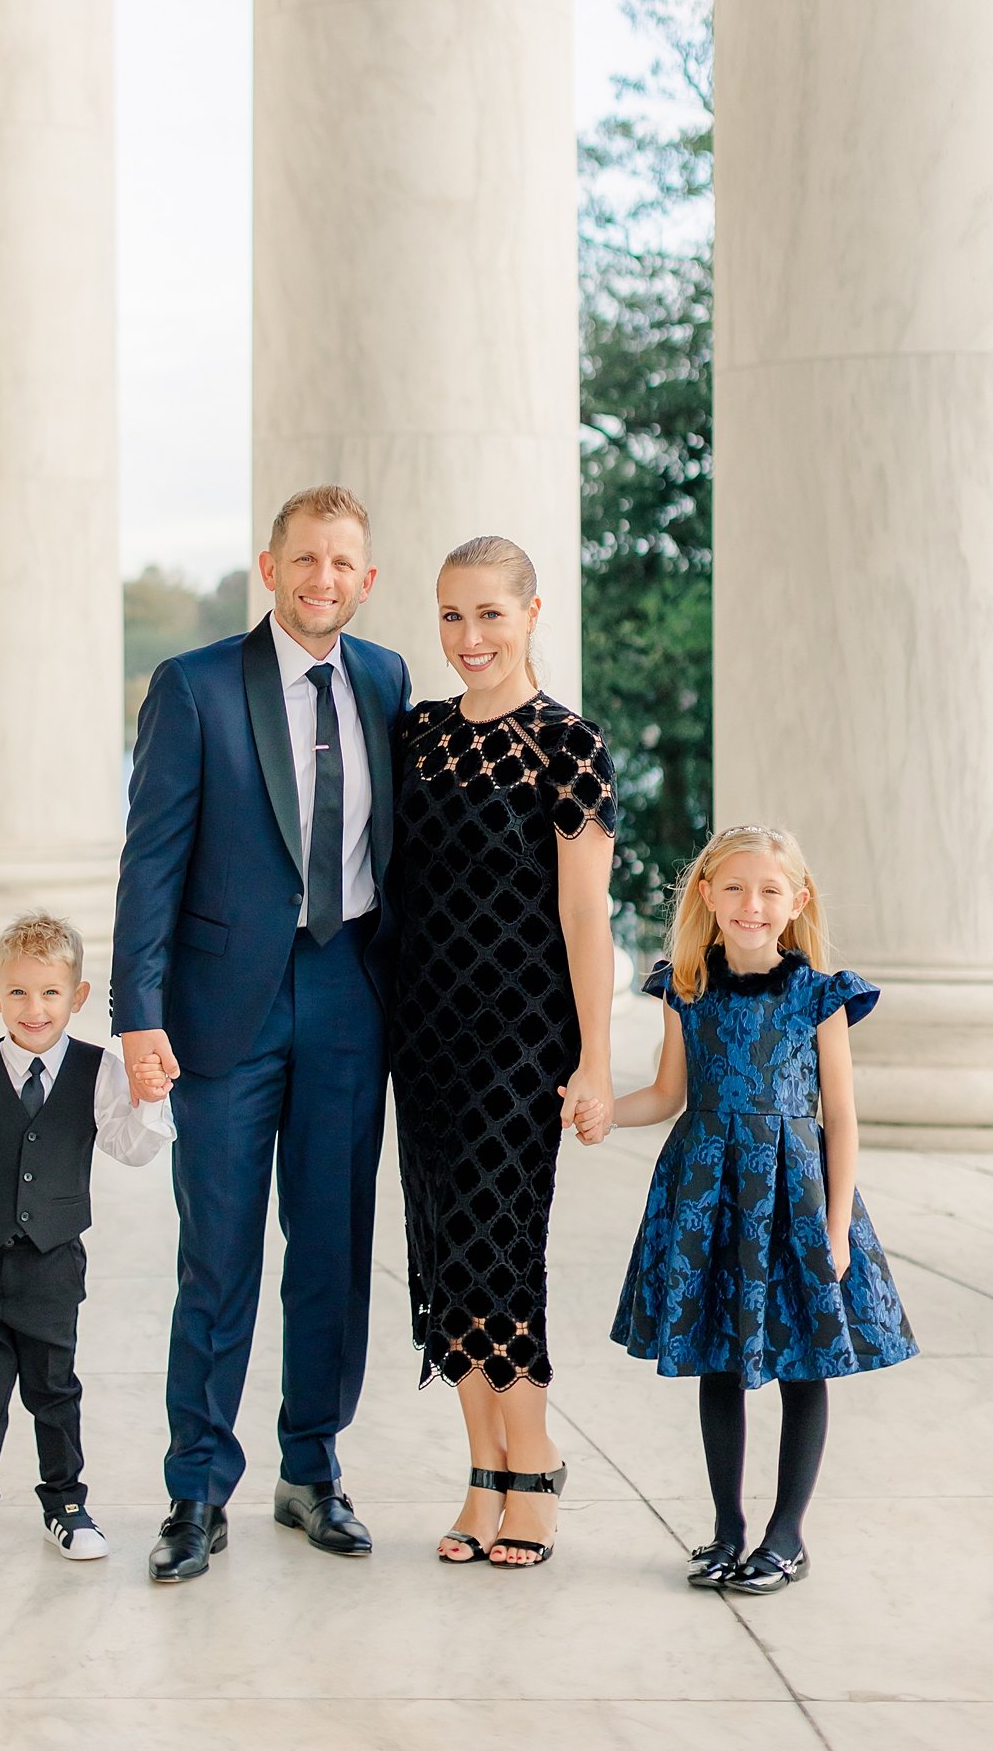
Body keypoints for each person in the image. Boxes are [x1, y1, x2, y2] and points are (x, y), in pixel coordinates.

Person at [112, 485, 412, 1583]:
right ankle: (196, 1488)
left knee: (332, 1250)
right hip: (223, 1008)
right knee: (219, 1253)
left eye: (343, 563)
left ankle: (312, 1467)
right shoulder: (193, 689)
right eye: (305, 560)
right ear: (269, 567)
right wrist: (136, 1014)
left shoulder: (386, 679)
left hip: (349, 994)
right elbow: (150, 864)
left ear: (365, 579)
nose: (322, 579)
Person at [608, 825, 917, 1594]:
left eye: (770, 890)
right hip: (708, 1189)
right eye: (736, 888)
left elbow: (840, 1115)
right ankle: (726, 1530)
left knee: (801, 1360)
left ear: (796, 901)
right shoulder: (685, 985)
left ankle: (785, 1536)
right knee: (719, 1351)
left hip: (794, 1191)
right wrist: (598, 1110)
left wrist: (837, 1225)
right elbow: (667, 1093)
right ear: (706, 894)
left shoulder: (820, 994)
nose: (752, 905)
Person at [391, 535, 616, 1570]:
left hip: (523, 1040)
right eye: (450, 616)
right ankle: (483, 1473)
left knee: (500, 1251)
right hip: (425, 1035)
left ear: (532, 615)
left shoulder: (568, 745)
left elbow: (584, 915)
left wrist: (597, 1060)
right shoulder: (419, 734)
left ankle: (534, 1463)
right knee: (446, 1258)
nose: (468, 638)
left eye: (489, 614)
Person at [0, 912, 173, 1571]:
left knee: (54, 1390)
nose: (35, 1008)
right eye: (19, 992)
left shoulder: (97, 1070)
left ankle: (66, 1502)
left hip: (53, 1267)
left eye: (50, 993)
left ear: (77, 998)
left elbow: (131, 1150)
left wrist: (149, 1100)